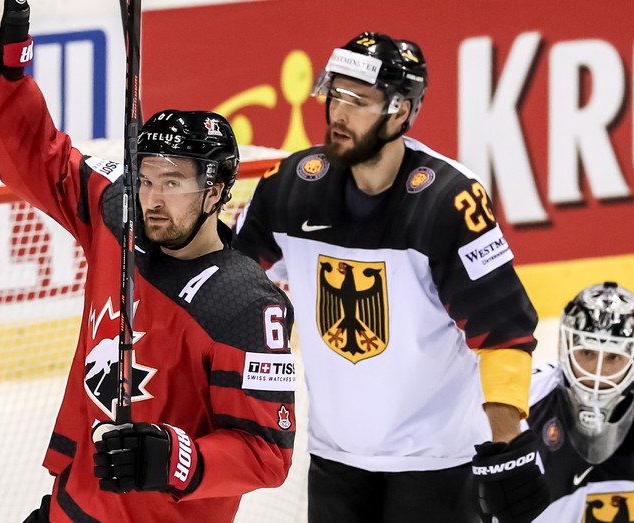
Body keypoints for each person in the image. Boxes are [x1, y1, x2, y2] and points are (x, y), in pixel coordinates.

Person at [0, 1, 297, 522]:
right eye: (148, 177)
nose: (153, 198)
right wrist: (1, 70)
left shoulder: (244, 304)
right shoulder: (119, 212)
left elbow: (268, 454)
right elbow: (36, 157)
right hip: (73, 506)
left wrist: (180, 459)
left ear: (216, 191)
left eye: (173, 183)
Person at [233, 31, 549, 523]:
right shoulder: (291, 186)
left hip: (437, 464)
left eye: (358, 101)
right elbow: (230, 279)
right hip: (334, 457)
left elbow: (505, 332)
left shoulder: (448, 202)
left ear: (400, 111)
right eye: (335, 93)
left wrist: (507, 439)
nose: (338, 112)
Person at [526, 282, 634, 523]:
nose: (597, 372)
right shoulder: (526, 401)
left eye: (613, 357)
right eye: (587, 353)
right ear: (568, 346)